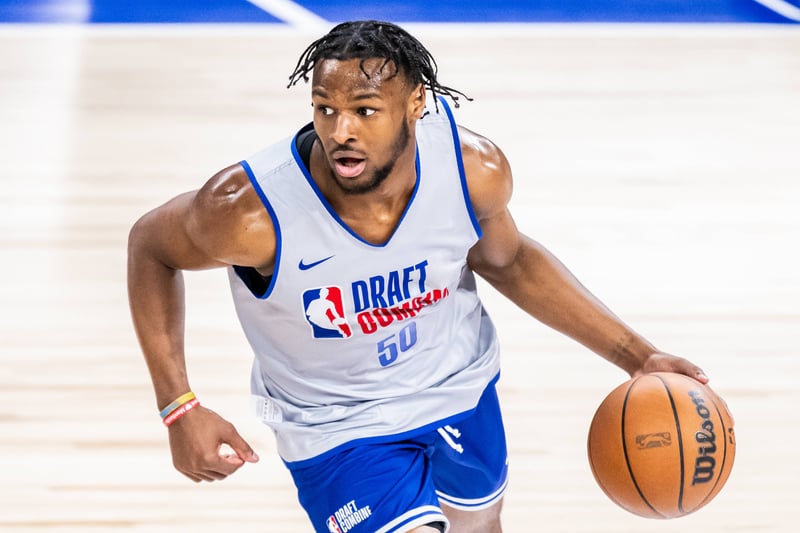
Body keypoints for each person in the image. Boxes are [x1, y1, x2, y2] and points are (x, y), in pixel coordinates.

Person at [127, 20, 708, 533]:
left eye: (364, 110)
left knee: (479, 525)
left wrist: (637, 356)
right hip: (337, 424)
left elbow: (510, 261)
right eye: (324, 108)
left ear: (415, 104)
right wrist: (178, 406)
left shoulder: (471, 170)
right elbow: (151, 247)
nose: (340, 130)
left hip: (458, 385)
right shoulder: (249, 211)